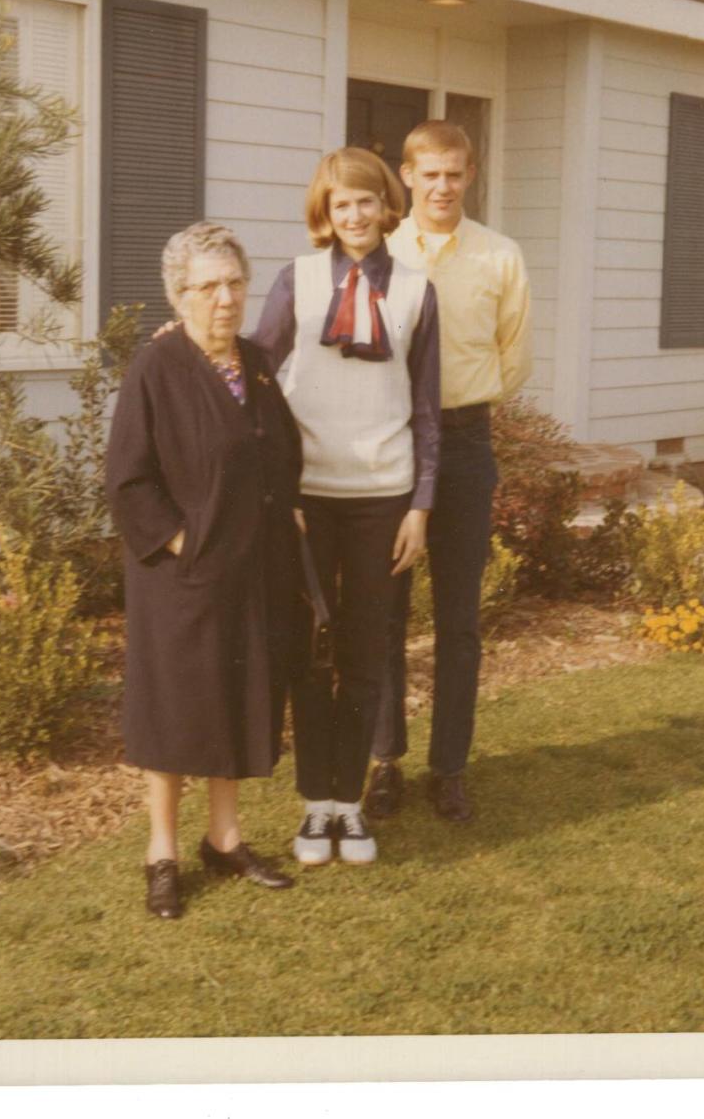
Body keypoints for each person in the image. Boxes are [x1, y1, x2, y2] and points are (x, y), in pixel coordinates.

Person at [106, 223, 300, 919]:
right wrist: (186, 543)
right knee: (175, 709)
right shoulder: (155, 368)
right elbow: (128, 479)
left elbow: (277, 451)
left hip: (249, 570)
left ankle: (225, 838)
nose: (225, 298)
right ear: (179, 295)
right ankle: (161, 852)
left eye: (234, 283)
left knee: (235, 698)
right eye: (208, 286)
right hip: (180, 578)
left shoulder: (256, 361)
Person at [253, 147, 440, 867]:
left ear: (386, 205)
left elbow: (426, 409)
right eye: (341, 205)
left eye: (365, 201)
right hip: (307, 503)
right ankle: (314, 806)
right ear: (324, 216)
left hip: (383, 501)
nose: (355, 215)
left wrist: (420, 506)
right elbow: (254, 372)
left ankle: (352, 805)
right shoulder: (296, 282)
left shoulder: (418, 291)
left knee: (367, 653)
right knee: (305, 657)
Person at [364, 121, 532, 824]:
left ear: (470, 175)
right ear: (407, 176)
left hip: (464, 445)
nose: (442, 186)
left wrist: (460, 410)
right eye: (429, 173)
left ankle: (449, 768)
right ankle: (384, 763)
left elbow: (513, 358)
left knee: (460, 618)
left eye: (454, 174)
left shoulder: (499, 256)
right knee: (384, 616)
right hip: (390, 446)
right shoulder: (377, 252)